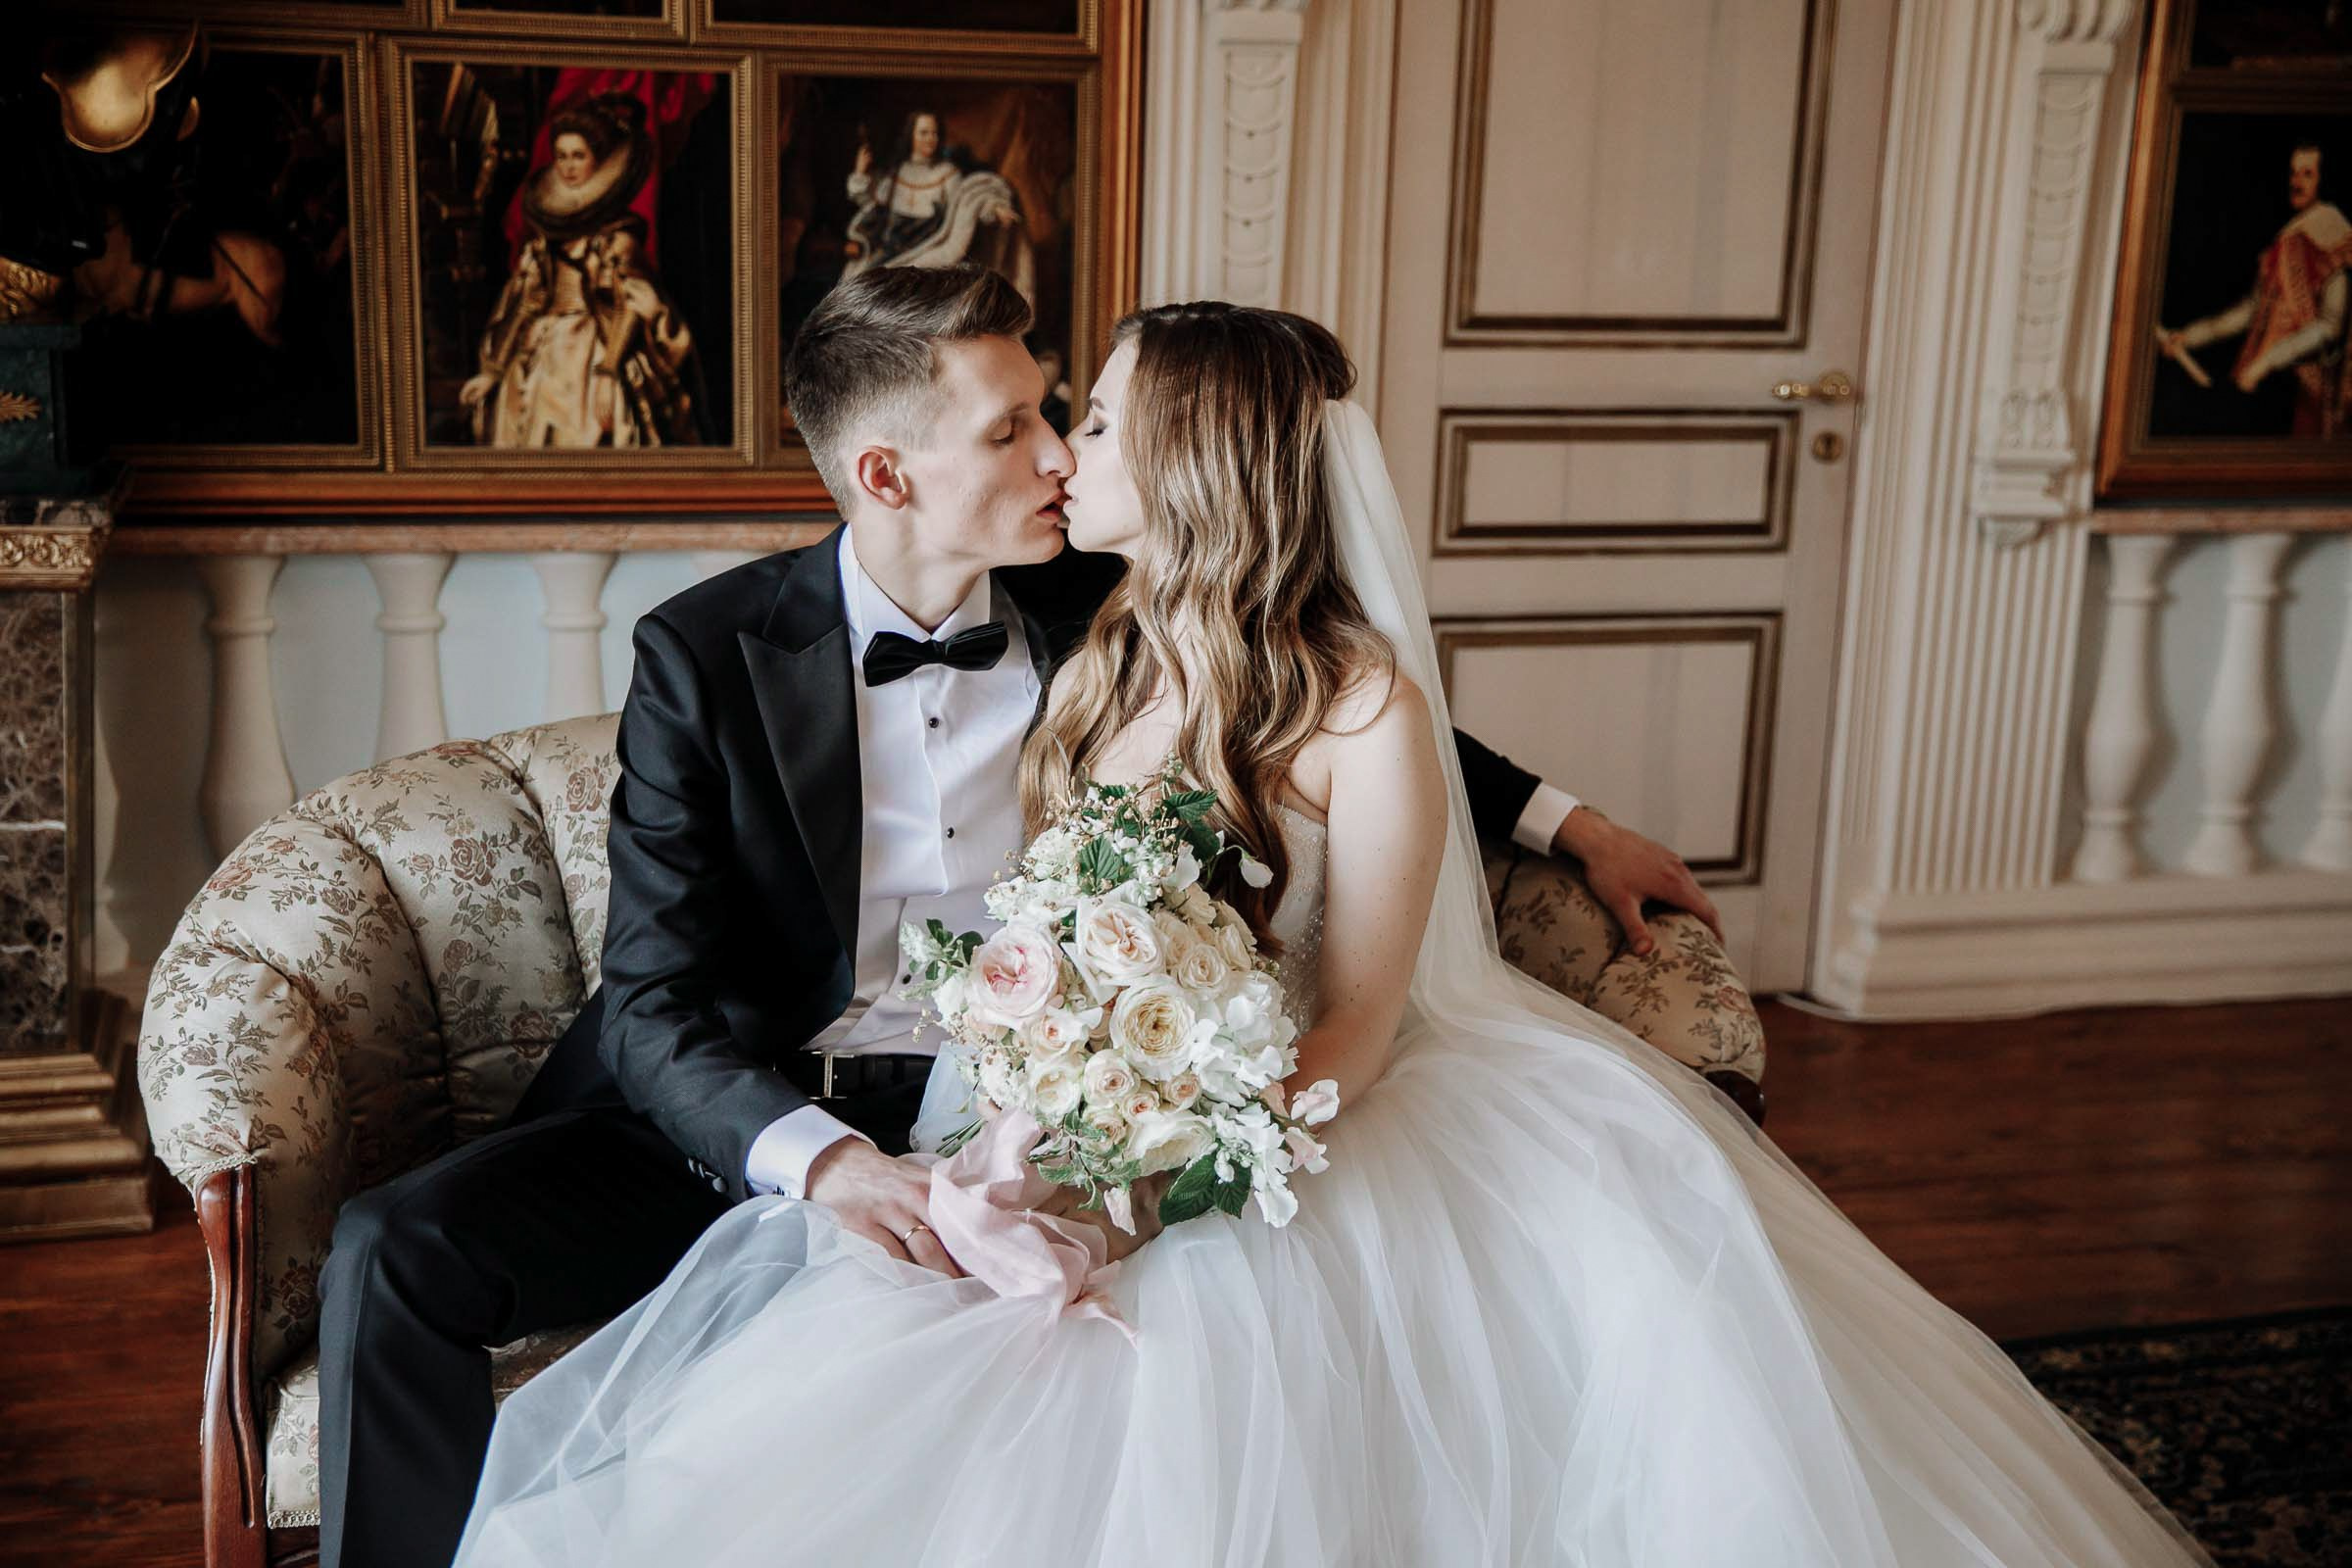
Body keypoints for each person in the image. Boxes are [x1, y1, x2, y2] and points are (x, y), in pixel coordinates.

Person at [445, 291, 2214, 1565]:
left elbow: (1357, 1009)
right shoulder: (1102, 635)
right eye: (1042, 427)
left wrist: (1174, 1164)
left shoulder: (1349, 698)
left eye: (1100, 421)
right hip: (1060, 1104)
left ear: (1193, 457)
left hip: (1295, 1122)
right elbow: (1040, 946)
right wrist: (1022, 1136)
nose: (1069, 455)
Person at [315, 266, 1671, 1568]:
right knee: (395, 1250)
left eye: (1065, 413)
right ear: (887, 476)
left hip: (1036, 1109)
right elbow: (653, 1001)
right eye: (1015, 428)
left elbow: (1325, 687)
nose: (1060, 458)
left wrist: (1574, 824)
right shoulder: (706, 655)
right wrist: (830, 1169)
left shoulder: (1110, 601)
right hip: (768, 1115)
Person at [460, 92, 702, 447]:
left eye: (578, 156)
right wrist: (493, 373)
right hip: (540, 350)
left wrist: (608, 371)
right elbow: (525, 301)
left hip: (594, 355)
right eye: (561, 156)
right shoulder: (544, 241)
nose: (569, 166)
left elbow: (630, 306)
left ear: (598, 161)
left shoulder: (616, 239)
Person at [2157, 142, 2351, 437]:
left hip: (2312, 390)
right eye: (2293, 173)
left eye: (2307, 174)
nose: (2296, 182)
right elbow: (2253, 310)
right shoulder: (2287, 238)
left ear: (2324, 180)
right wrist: (2189, 336)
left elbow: (2330, 327)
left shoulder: (2336, 236)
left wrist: (2267, 361)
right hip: (2270, 387)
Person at [840, 109, 1034, 301]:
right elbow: (869, 204)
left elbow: (967, 201)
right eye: (924, 133)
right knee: (857, 285)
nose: (930, 138)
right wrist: (860, 172)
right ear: (911, 136)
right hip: (890, 254)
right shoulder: (897, 173)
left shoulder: (947, 174)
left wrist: (994, 209)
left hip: (927, 254)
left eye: (934, 133)